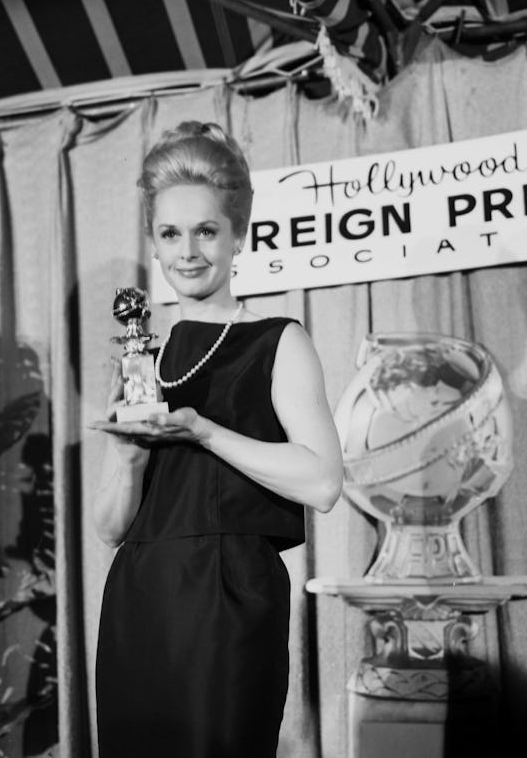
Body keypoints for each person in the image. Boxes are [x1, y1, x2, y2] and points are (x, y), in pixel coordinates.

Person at [89, 121, 343, 758]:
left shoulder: (278, 340)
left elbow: (324, 482)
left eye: (207, 230)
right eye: (171, 233)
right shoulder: (139, 358)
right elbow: (109, 527)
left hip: (232, 593)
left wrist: (204, 431)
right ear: (154, 244)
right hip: (140, 596)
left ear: (239, 237)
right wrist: (124, 459)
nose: (189, 251)